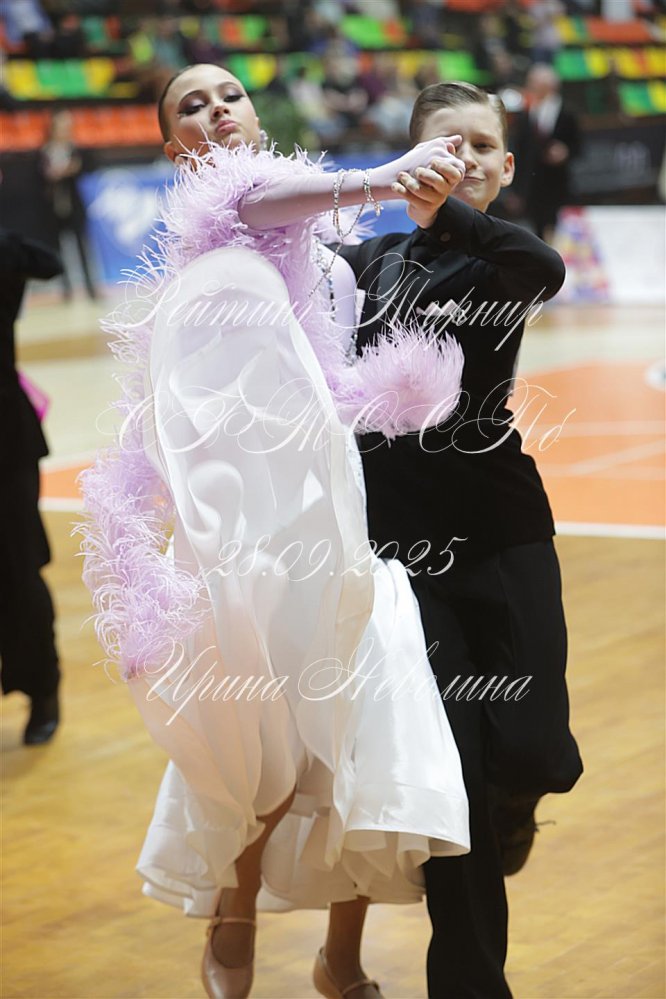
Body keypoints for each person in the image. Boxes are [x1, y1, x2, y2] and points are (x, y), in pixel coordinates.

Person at [79, 63, 471, 999]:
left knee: (363, 733)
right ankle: (236, 906)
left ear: (256, 115)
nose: (217, 109)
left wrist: (395, 393)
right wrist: (384, 178)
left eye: (231, 96)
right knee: (263, 746)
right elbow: (260, 203)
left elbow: (325, 390)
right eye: (193, 105)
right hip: (240, 540)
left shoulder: (328, 269)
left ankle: (343, 957)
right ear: (176, 148)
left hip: (329, 519)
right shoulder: (214, 231)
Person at [337, 82, 584, 998]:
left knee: (535, 749)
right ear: (413, 157)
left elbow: (544, 266)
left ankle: (519, 800)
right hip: (406, 556)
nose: (468, 158)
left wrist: (446, 207)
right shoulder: (368, 264)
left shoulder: (503, 259)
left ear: (507, 166)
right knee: (456, 784)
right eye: (449, 143)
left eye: (484, 146)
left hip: (504, 530)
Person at [0, 226, 62, 745]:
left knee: (19, 570)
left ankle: (43, 688)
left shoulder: (6, 248)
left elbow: (47, 261)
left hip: (5, 439)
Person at [511, 63, 581, 243]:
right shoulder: (526, 112)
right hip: (532, 183)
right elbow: (519, 150)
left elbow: (578, 146)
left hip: (558, 182)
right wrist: (516, 188)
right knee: (536, 228)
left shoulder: (568, 112)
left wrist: (565, 152)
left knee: (556, 226)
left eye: (534, 82)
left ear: (550, 86)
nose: (530, 86)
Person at [40, 109, 99, 301]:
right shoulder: (45, 151)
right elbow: (41, 176)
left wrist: (71, 170)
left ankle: (91, 288)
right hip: (54, 207)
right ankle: (66, 290)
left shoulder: (76, 150)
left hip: (74, 205)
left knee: (83, 247)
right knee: (59, 249)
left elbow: (88, 167)